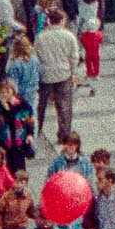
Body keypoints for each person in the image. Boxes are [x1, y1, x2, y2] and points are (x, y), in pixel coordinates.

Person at [35, 9, 81, 145]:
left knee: (40, 105)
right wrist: (72, 72)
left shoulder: (41, 37)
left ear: (49, 20)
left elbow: (36, 57)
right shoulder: (69, 36)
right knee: (64, 107)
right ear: (62, 20)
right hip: (63, 74)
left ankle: (36, 130)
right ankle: (64, 135)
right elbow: (74, 57)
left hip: (45, 75)